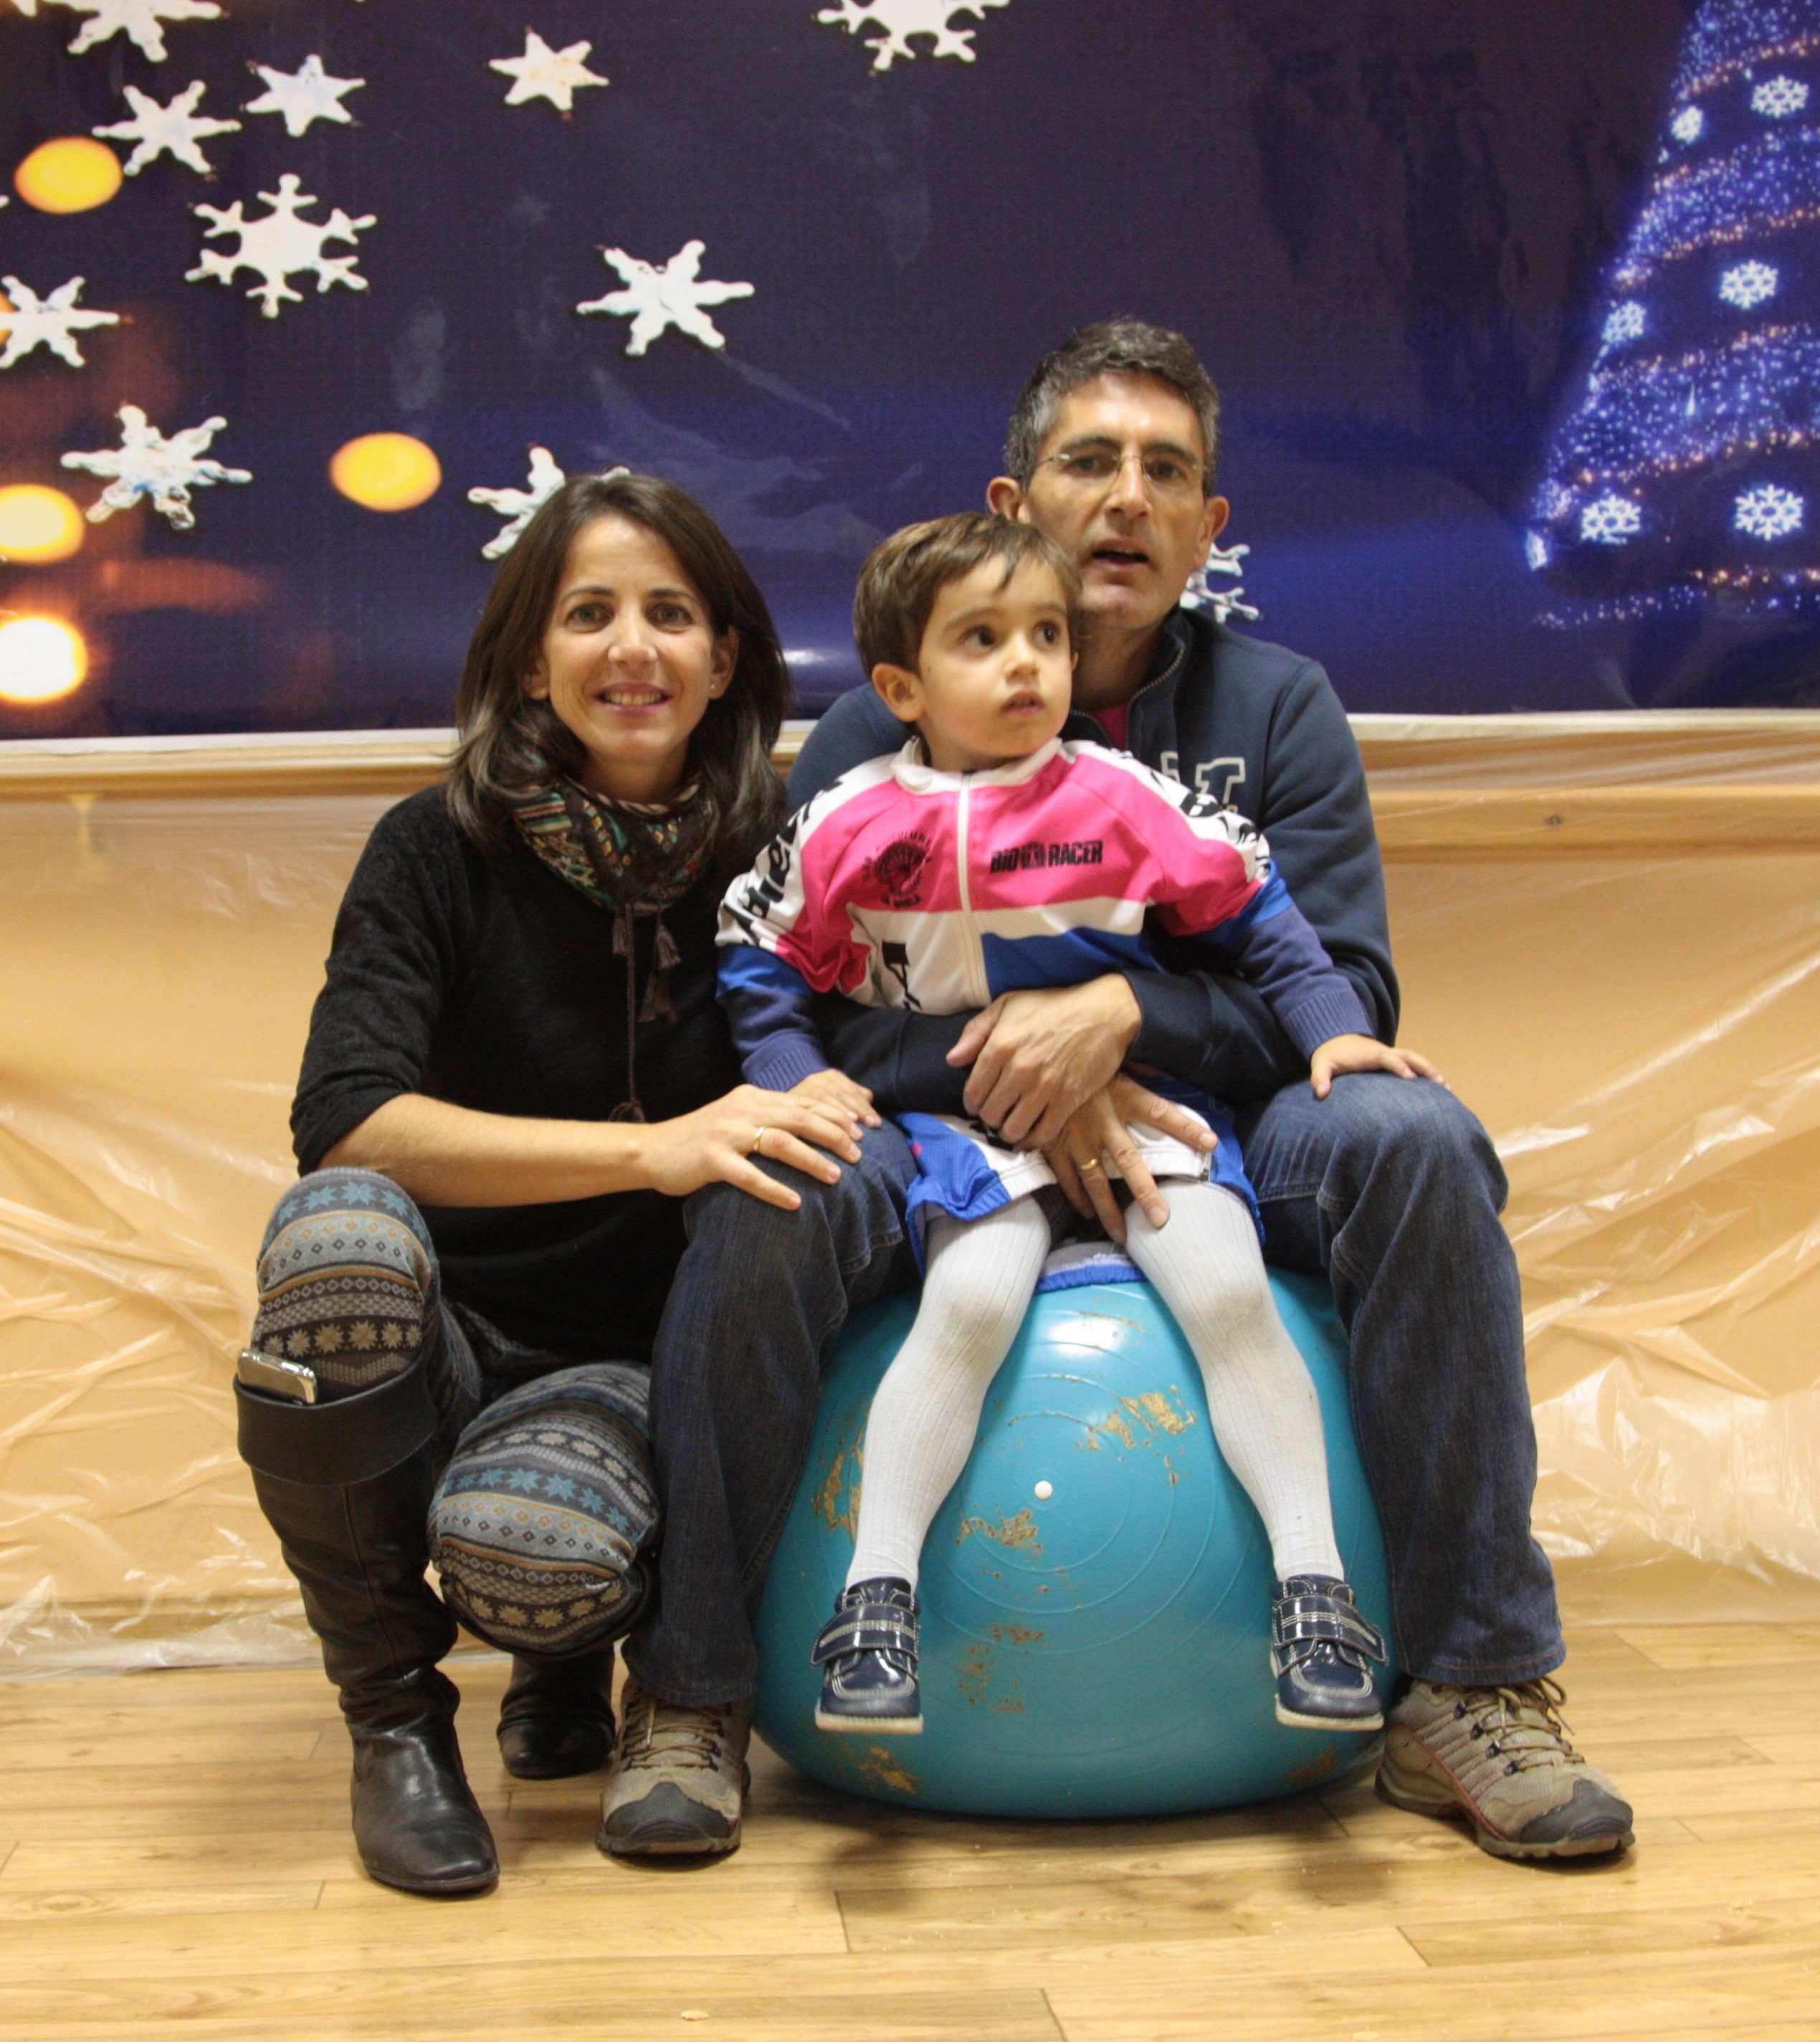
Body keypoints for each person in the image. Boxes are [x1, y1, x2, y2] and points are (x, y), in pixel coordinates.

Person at [788, 320, 1636, 1863]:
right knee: (774, 1167)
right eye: (1089, 462)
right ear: (1013, 500)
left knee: (1412, 1134)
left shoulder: (1280, 705)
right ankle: (727, 1668)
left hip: (1234, 1127)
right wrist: (1035, 1075)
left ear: (1207, 527)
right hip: (954, 1123)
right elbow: (822, 1004)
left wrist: (1122, 1018)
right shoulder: (878, 735)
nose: (1127, 497)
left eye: (1165, 472)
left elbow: (1345, 986)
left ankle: (1473, 1683)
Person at [234, 470, 900, 1893]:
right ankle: (396, 1723)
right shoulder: (433, 844)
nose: (632, 647)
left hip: (642, 1365)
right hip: (448, 1338)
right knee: (333, 1235)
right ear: (532, 659)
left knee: (535, 1554)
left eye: (671, 613)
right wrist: (654, 1148)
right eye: (588, 613)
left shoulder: (794, 852)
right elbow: (345, 1121)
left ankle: (567, 1646)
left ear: (724, 657)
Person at [719, 510, 1444, 1737]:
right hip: (968, 1125)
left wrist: (1331, 1026)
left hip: (1139, 1110)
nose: (1027, 664)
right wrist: (793, 1072)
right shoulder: (846, 816)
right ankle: (872, 1608)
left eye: (1047, 636)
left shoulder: (1121, 792)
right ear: (901, 688)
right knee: (971, 1302)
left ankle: (1318, 1597)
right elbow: (755, 946)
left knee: (1228, 1290)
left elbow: (1258, 905)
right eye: (983, 639)